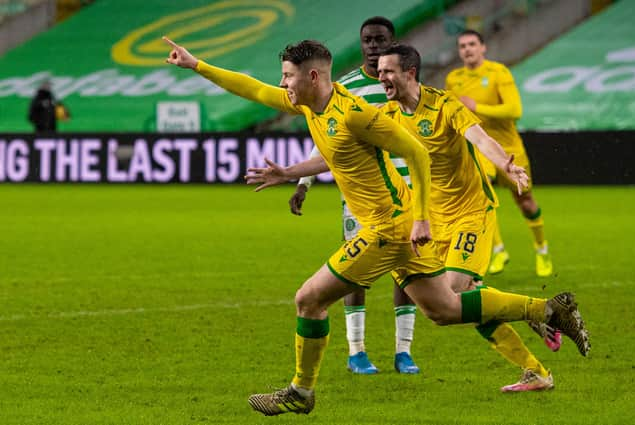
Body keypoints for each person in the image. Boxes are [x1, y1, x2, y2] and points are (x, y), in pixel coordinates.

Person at [163, 37, 590, 417]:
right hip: (401, 224)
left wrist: (422, 216)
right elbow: (253, 89)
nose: (283, 85)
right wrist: (198, 65)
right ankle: (547, 310)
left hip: (390, 227)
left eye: (288, 77)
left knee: (309, 299)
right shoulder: (309, 104)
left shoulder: (356, 114)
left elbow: (417, 155)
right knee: (443, 309)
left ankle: (301, 391)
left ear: (313, 76)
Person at [377, 43, 560, 391]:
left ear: (409, 73)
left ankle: (543, 310)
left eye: (387, 70)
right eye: (379, 70)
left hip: (471, 211)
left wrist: (503, 162)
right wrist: (295, 174)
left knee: (449, 298)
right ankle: (536, 370)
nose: (381, 76)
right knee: (463, 302)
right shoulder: (389, 115)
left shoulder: (444, 103)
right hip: (432, 219)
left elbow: (479, 138)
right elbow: (342, 148)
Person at [288, 16, 420, 375]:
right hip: (361, 197)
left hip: (407, 194)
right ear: (361, 44)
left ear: (392, 43)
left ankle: (403, 350)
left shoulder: (406, 87)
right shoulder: (343, 89)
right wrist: (304, 184)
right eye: (368, 40)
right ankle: (357, 350)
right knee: (353, 274)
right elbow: (324, 143)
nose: (374, 46)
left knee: (405, 273)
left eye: (381, 40)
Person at [445, 30, 553, 277]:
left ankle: (541, 250)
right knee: (481, 195)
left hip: (509, 150)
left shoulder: (498, 73)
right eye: (462, 46)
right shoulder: (454, 79)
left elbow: (515, 110)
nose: (467, 49)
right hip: (479, 149)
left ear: (483, 48)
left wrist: (478, 107)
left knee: (525, 202)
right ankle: (498, 249)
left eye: (472, 44)